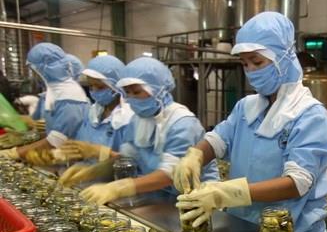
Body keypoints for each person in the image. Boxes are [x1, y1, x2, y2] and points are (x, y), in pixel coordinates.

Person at [173, 12, 327, 232]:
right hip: (243, 230)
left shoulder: (310, 115)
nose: (250, 70)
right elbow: (217, 141)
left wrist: (224, 193)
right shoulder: (246, 107)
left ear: (283, 58)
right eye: (244, 63)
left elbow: (296, 183)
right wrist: (195, 156)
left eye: (257, 62)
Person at [59, 57, 219, 205]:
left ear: (158, 90)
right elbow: (127, 158)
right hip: (160, 198)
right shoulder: (138, 120)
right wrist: (92, 172)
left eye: (136, 92)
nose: (131, 98)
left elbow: (171, 173)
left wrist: (119, 188)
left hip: (196, 199)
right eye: (127, 93)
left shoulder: (182, 123)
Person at [0, 43, 88, 159]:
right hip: (56, 156)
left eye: (36, 71)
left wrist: (15, 153)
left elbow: (56, 140)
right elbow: (51, 131)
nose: (34, 76)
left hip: (67, 158)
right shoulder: (55, 95)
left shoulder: (70, 100)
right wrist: (27, 136)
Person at [57, 54, 133, 163]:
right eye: (91, 86)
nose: (94, 91)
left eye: (100, 87)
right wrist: (68, 153)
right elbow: (81, 145)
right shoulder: (92, 113)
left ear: (115, 86)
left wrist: (102, 153)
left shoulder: (127, 119)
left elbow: (132, 162)